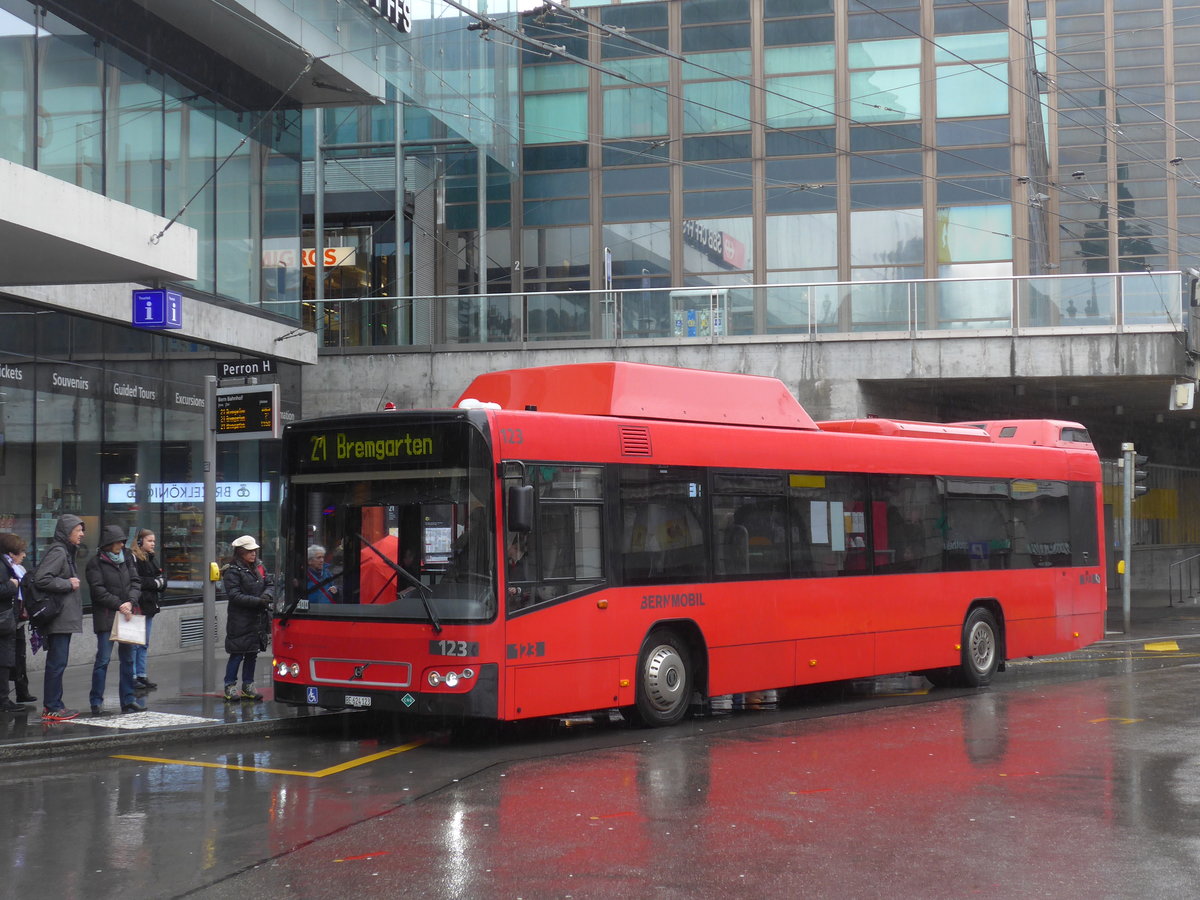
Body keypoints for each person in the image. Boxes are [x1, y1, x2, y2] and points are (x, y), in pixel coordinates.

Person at [85, 525, 143, 715]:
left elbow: (136, 582)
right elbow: (98, 591)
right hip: (107, 617)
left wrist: (130, 601)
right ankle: (96, 701)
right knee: (102, 660)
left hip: (127, 615)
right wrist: (120, 604)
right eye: (118, 541)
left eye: (122, 541)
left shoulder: (127, 558)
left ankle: (128, 700)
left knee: (128, 660)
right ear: (109, 543)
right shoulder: (95, 563)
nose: (121, 544)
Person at [33, 513, 85, 721]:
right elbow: (41, 579)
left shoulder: (66, 551)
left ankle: (56, 704)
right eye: (78, 530)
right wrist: (67, 584)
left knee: (58, 662)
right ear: (67, 531)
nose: (82, 534)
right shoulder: (59, 551)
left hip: (63, 617)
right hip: (58, 617)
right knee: (57, 662)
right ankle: (52, 707)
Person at [222, 534, 274, 702]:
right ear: (241, 552)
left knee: (252, 653)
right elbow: (234, 595)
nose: (253, 554)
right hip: (240, 619)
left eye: (255, 551)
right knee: (237, 654)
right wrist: (259, 601)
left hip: (257, 619)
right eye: (249, 551)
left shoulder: (259, 567)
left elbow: (270, 584)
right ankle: (230, 686)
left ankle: (248, 686)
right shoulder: (232, 570)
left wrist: (266, 596)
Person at [1, 534, 36, 706]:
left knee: (18, 655)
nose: (24, 555)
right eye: (21, 552)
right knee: (7, 657)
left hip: (17, 617)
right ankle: (5, 698)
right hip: (7, 618)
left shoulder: (17, 568)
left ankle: (22, 691)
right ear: (11, 553)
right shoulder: (4, 567)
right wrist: (12, 585)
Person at [130, 528, 164, 691]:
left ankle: (142, 674)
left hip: (149, 605)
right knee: (136, 643)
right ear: (139, 542)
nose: (153, 544)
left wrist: (157, 583)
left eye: (154, 541)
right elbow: (138, 581)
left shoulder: (151, 558)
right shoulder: (134, 559)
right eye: (150, 541)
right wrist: (155, 583)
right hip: (138, 606)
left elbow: (161, 579)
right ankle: (133, 676)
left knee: (144, 643)